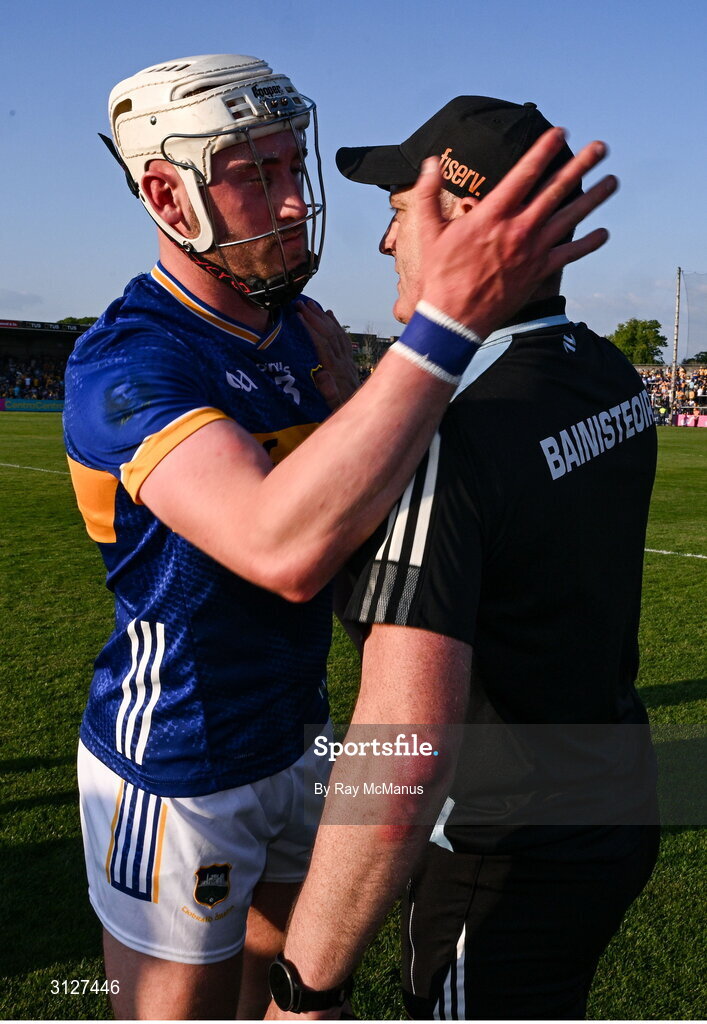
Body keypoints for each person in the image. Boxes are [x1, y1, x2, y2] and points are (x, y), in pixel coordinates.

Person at [64, 56, 613, 1020]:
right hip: (183, 762)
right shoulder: (131, 357)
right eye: (255, 175)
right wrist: (444, 321)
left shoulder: (294, 333)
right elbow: (279, 548)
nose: (289, 199)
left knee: (280, 990)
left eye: (291, 166)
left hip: (301, 736)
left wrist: (352, 396)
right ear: (167, 193)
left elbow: (374, 496)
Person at [268, 97, 658, 1021]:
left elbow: (402, 751)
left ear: (466, 221)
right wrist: (373, 400)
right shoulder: (601, 370)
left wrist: (304, 987)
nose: (383, 243)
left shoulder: (449, 434)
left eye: (400, 209)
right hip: (611, 802)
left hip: (502, 851)